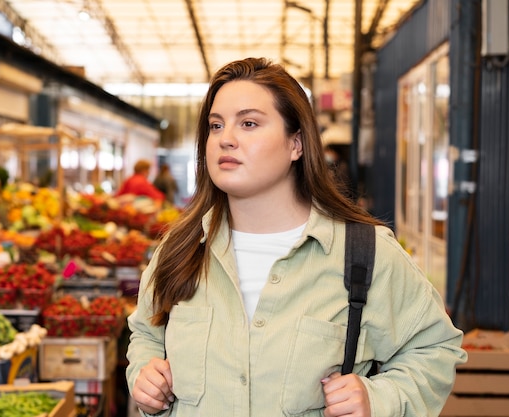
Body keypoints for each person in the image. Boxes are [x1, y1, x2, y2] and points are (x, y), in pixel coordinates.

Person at [126, 58, 466, 417]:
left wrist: (379, 399)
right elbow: (146, 334)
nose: (225, 139)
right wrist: (144, 373)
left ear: (296, 145)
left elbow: (434, 349)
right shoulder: (179, 249)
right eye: (215, 125)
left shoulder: (364, 254)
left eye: (249, 123)